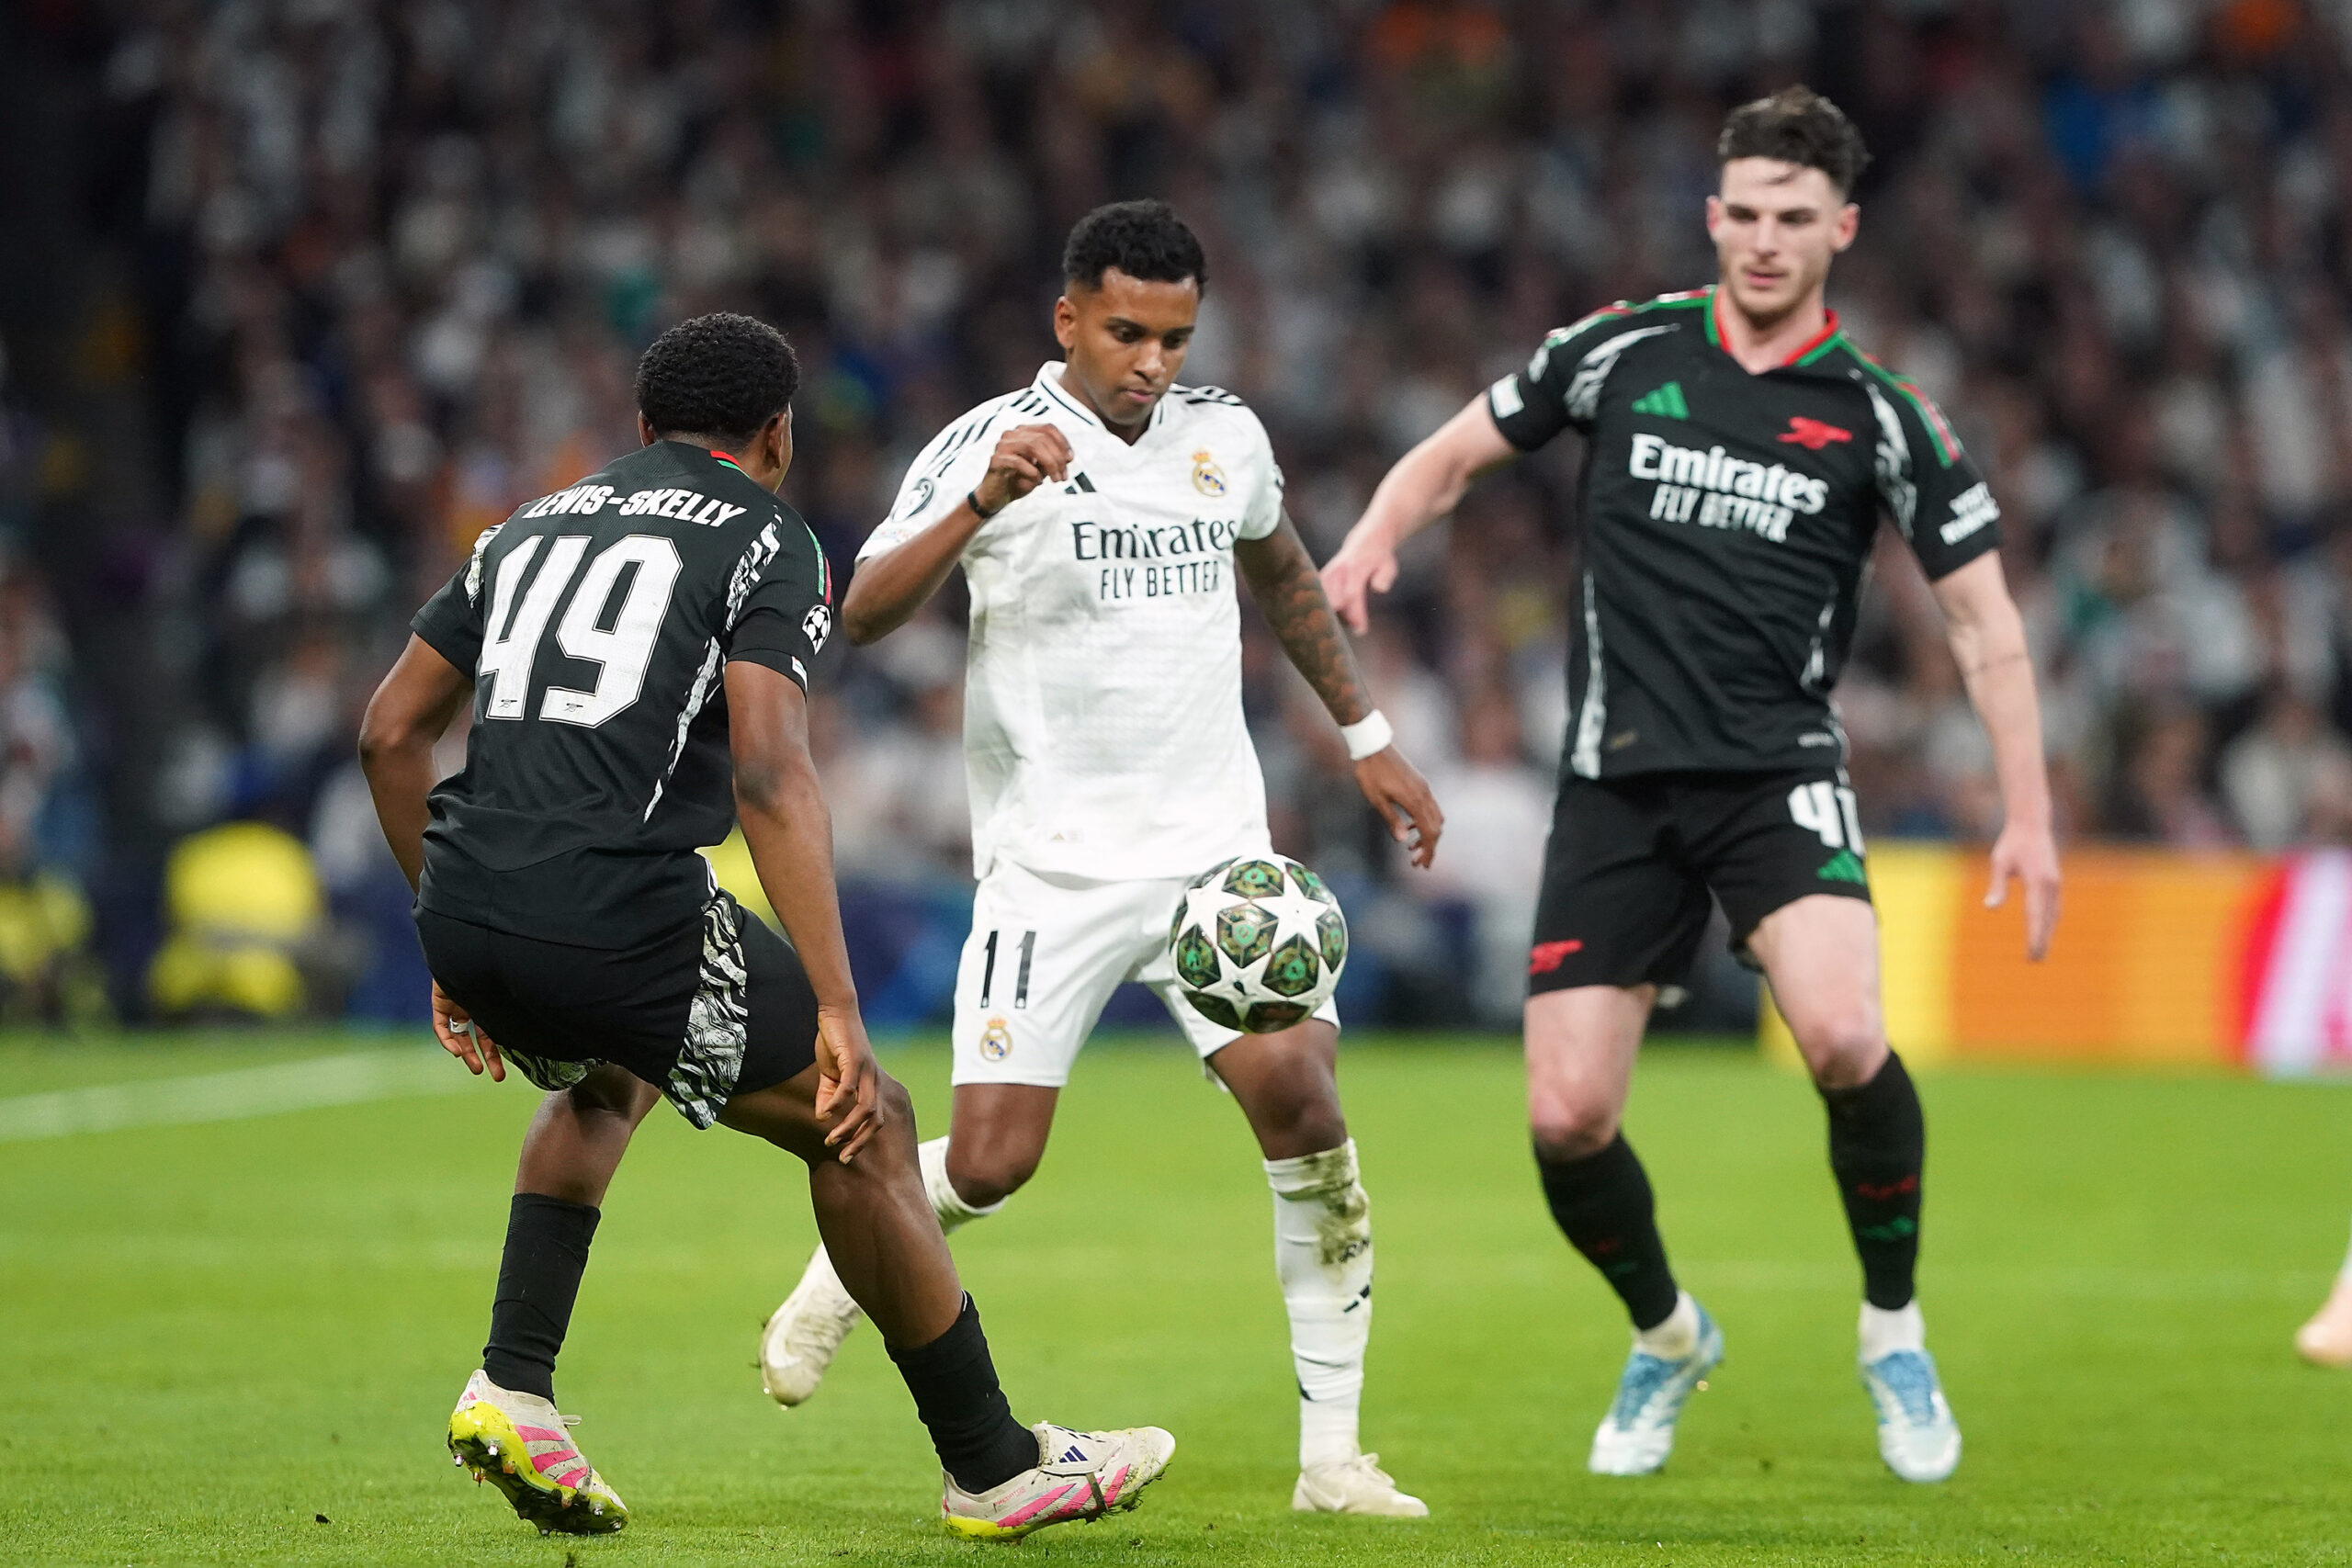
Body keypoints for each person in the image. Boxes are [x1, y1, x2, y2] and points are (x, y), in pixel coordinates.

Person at [1320, 88, 2062, 1483]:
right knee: (1565, 1118)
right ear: (1713, 217)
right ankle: (1667, 1336)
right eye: (1747, 214)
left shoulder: (1884, 416)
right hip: (1613, 790)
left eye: (1798, 218)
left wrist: (2027, 809)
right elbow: (1453, 455)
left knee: (1844, 1036)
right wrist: (1369, 540)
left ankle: (1892, 1330)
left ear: (1842, 229)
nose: (1768, 241)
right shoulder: (1621, 353)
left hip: (1776, 777)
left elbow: (1987, 627)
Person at [356, 312, 1172, 1540]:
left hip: (465, 901)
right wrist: (840, 1008)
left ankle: (515, 1385)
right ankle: (994, 1464)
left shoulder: (527, 525)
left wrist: (447, 935)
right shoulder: (763, 536)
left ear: (641, 430)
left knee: (603, 1076)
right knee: (867, 1122)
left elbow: (388, 733)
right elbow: (773, 776)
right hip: (613, 910)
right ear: (778, 435)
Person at [756, 201, 1445, 1517]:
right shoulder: (988, 444)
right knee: (999, 1161)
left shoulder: (1224, 437)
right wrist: (978, 502)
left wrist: (1365, 733)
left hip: (1215, 869)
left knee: (1307, 1108)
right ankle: (846, 1273)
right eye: (1127, 331)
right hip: (1052, 869)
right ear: (1067, 318)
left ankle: (1334, 1460)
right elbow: (863, 612)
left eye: (1175, 336)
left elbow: (1285, 571)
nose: (1151, 360)